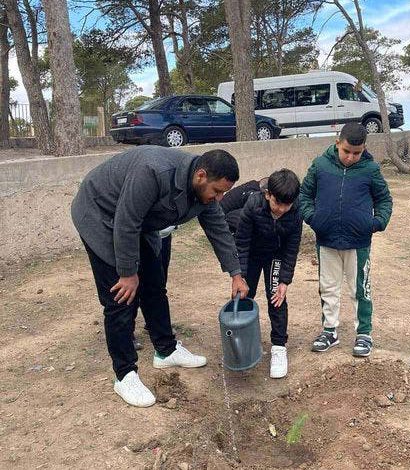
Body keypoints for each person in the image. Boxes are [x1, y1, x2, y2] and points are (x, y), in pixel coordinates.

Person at [71, 146, 249, 407]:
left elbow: (219, 229)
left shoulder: (204, 194)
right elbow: (126, 221)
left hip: (137, 221)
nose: (220, 198)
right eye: (218, 191)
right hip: (102, 214)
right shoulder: (153, 171)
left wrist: (236, 274)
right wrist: (128, 272)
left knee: (154, 284)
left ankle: (165, 350)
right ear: (201, 175)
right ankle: (124, 374)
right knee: (121, 296)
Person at [300, 122, 393, 358]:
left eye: (357, 153)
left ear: (363, 149)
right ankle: (329, 331)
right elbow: (305, 194)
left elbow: (384, 199)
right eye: (347, 151)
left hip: (358, 242)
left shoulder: (370, 169)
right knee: (328, 287)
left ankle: (364, 334)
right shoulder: (320, 165)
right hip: (327, 240)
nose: (351, 157)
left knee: (359, 289)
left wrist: (376, 223)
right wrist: (312, 218)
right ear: (337, 143)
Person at [235, 169, 302, 379]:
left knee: (276, 298)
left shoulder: (296, 211)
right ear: (268, 195)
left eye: (287, 205)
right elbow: (242, 242)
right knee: (245, 295)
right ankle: (243, 344)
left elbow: (292, 247)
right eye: (277, 203)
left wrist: (284, 280)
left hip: (276, 256)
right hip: (253, 255)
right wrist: (240, 275)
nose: (282, 209)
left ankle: (279, 347)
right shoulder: (253, 205)